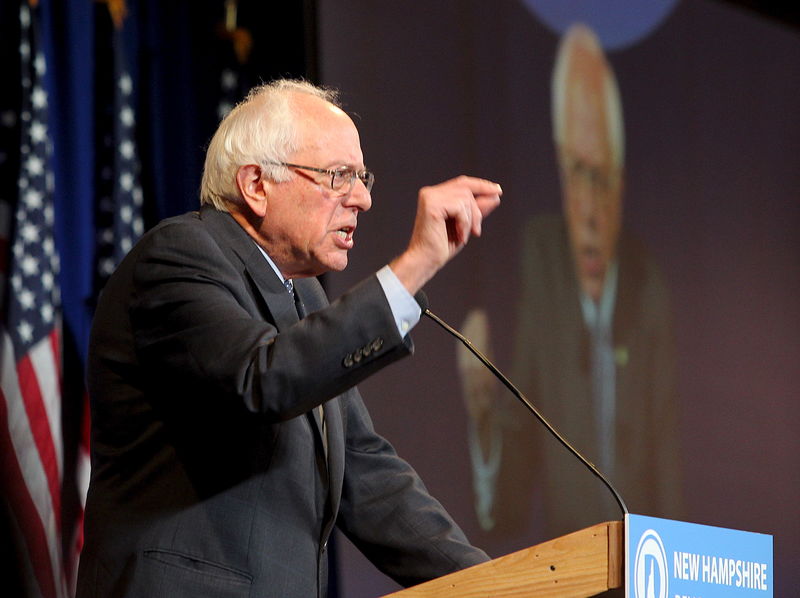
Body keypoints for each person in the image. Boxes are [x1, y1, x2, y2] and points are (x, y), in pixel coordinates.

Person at [76, 79, 502, 598]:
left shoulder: (306, 300)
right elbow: (264, 378)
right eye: (338, 176)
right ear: (256, 185)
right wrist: (413, 267)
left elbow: (367, 478)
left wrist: (497, 585)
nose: (363, 199)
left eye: (363, 176)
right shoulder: (179, 256)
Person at [459, 23, 682, 547]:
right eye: (576, 174)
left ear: (622, 186)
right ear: (559, 173)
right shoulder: (539, 265)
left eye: (600, 178)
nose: (587, 210)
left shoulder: (650, 288)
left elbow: (669, 477)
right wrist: (485, 412)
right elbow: (505, 513)